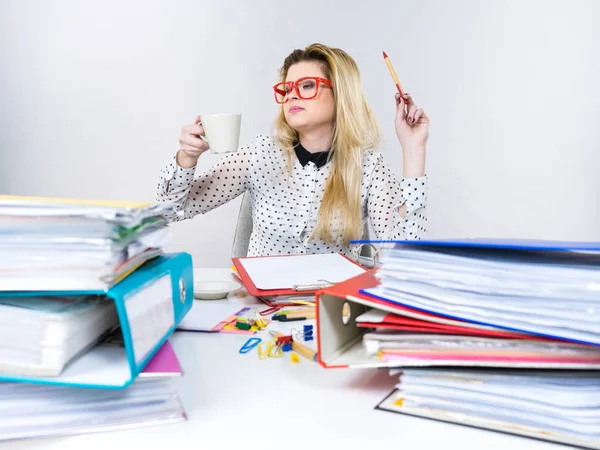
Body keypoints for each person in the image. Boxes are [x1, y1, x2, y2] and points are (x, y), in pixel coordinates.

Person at [156, 43, 429, 260]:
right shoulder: (260, 155)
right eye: (287, 88)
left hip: (331, 312)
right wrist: (187, 158)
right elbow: (170, 210)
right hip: (262, 313)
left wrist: (413, 150)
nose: (292, 95)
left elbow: (400, 256)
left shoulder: (368, 166)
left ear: (341, 94)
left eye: (307, 85)